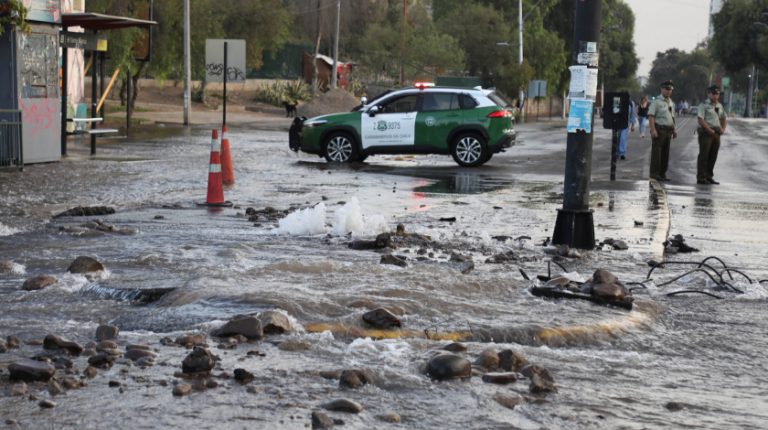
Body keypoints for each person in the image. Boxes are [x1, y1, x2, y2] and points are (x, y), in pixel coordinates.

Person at [696, 85, 727, 185]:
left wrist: (723, 129)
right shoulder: (703, 105)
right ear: (709, 94)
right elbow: (700, 119)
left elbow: (724, 118)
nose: (715, 96)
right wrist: (708, 129)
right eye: (713, 94)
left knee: (713, 156)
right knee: (704, 155)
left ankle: (709, 176)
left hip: (716, 133)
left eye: (717, 94)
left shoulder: (719, 106)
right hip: (706, 133)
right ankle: (701, 177)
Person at [647, 80, 677, 182]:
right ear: (662, 89)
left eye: (670, 90)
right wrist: (653, 130)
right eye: (667, 89)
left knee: (665, 154)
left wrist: (674, 129)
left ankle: (662, 174)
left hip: (668, 131)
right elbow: (651, 116)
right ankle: (654, 174)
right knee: (657, 154)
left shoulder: (671, 102)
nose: (669, 91)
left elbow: (672, 117)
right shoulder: (656, 102)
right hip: (659, 130)